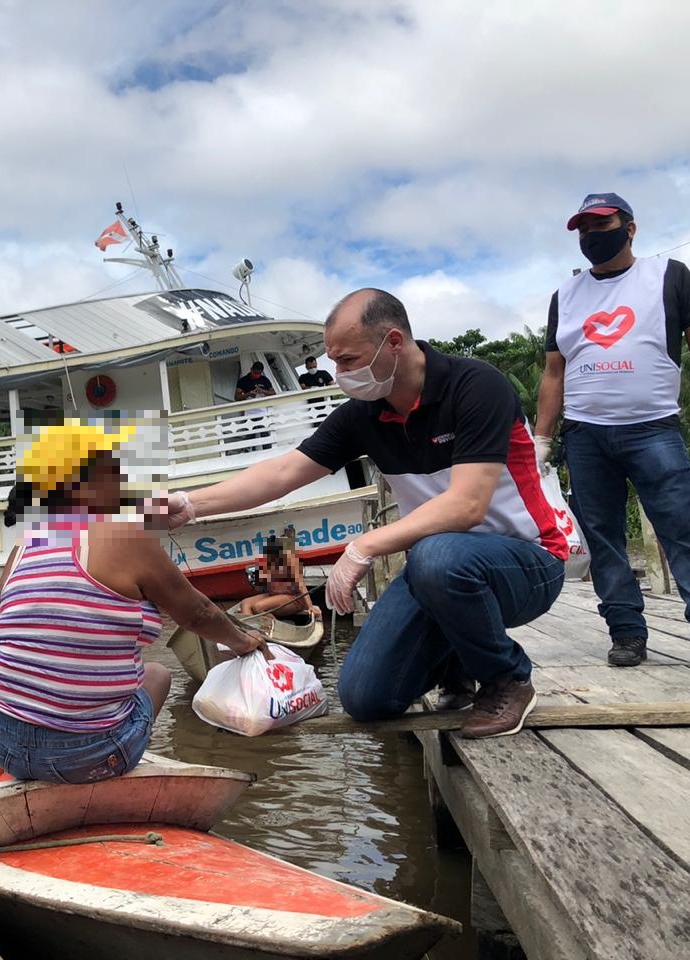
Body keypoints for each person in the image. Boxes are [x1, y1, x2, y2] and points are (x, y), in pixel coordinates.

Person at [168, 289, 571, 738]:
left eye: (349, 360)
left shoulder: (476, 386)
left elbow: (466, 505)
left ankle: (507, 678)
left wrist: (364, 546)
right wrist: (190, 504)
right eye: (334, 361)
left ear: (393, 342)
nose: (339, 373)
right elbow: (283, 472)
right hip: (440, 572)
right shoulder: (363, 415)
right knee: (367, 698)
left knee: (436, 556)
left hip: (526, 563)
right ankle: (456, 662)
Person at [0, 419, 268, 784]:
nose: (122, 478)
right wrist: (243, 642)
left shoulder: (31, 535)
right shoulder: (126, 532)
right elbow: (197, 613)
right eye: (114, 467)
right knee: (158, 674)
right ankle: (109, 757)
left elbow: (0, 594)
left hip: (0, 741)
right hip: (83, 757)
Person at [535, 192, 690, 675]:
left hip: (652, 429)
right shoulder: (566, 295)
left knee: (682, 529)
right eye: (584, 229)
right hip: (585, 436)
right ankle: (626, 632)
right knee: (602, 539)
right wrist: (542, 438)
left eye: (601, 225)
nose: (591, 237)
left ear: (630, 227)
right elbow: (553, 372)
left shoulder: (668, 276)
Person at [239, 534, 319, 619]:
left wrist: (310, 606)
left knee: (258, 607)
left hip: (294, 598)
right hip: (274, 595)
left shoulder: (291, 564)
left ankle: (276, 627)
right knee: (245, 603)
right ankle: (249, 629)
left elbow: (302, 587)